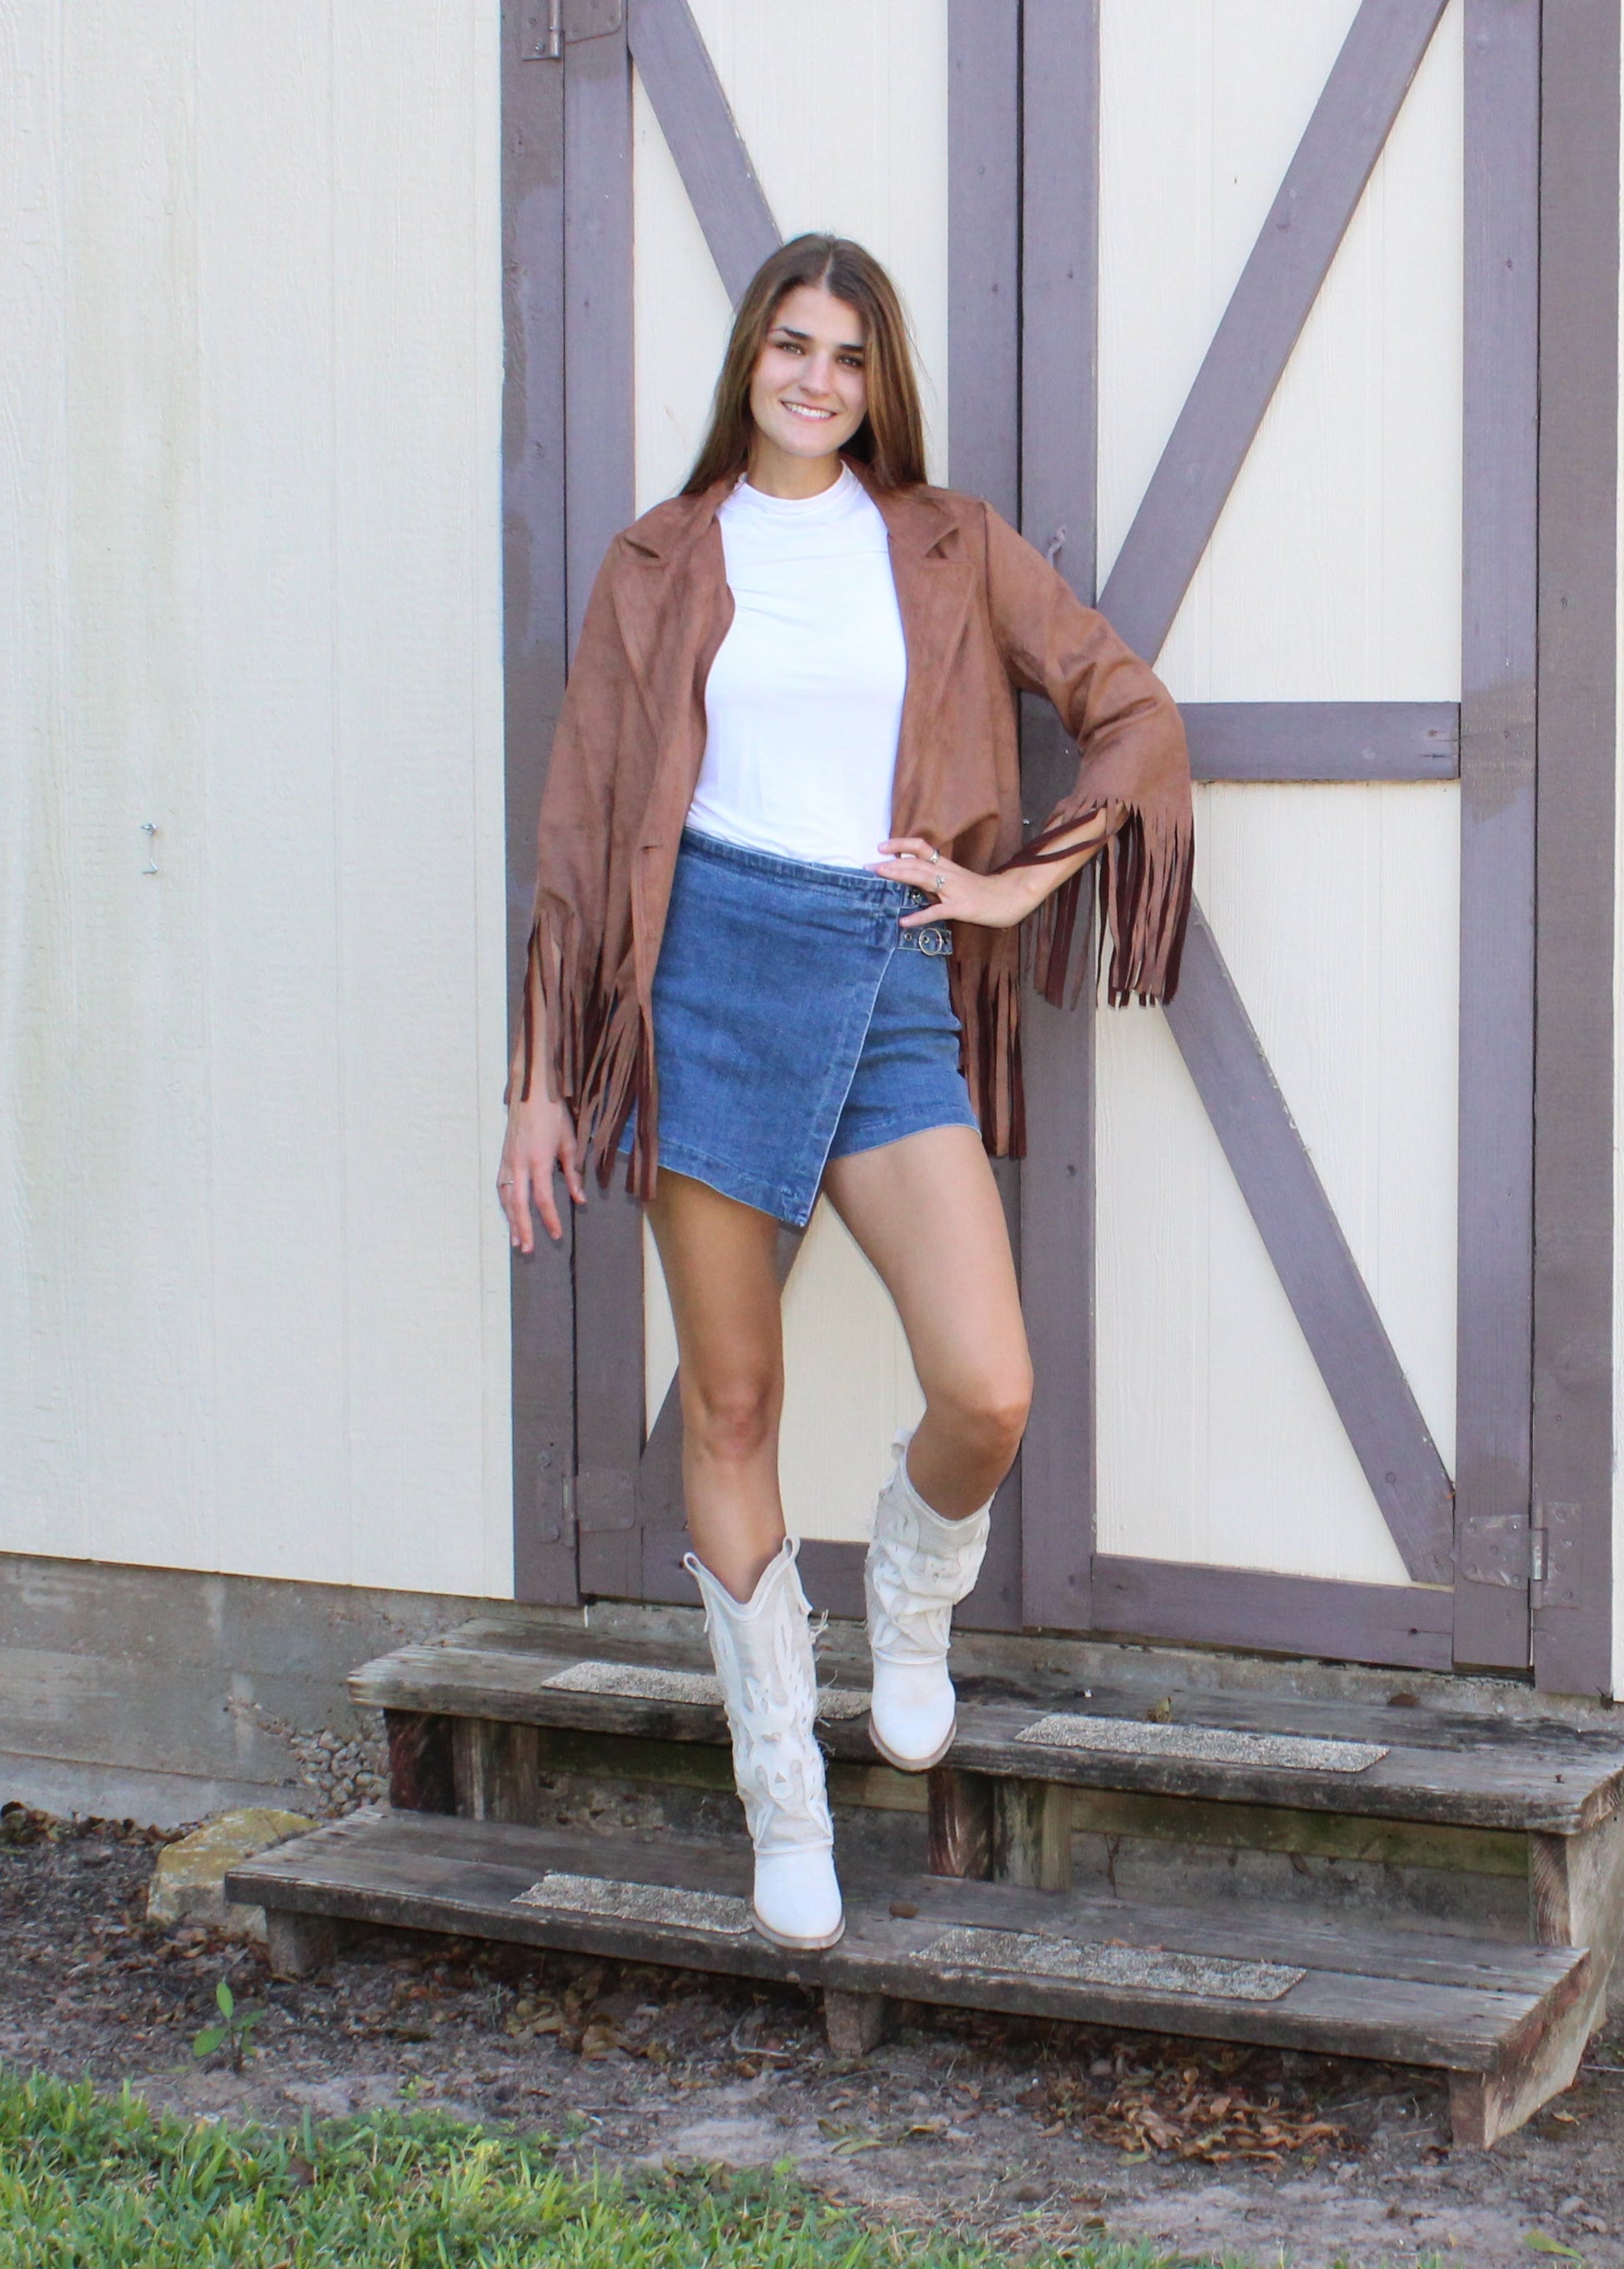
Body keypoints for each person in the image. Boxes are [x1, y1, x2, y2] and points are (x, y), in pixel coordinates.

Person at [496, 234, 1192, 1951]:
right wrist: (536, 1078)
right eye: (790, 345)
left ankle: (905, 1586)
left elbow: (1129, 710)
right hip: (702, 974)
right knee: (729, 1405)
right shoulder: (657, 560)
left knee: (988, 1384)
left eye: (848, 356)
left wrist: (1019, 884)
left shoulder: (944, 544)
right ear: (750, 357)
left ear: (878, 384)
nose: (815, 377)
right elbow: (584, 834)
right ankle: (779, 1789)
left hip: (883, 976)